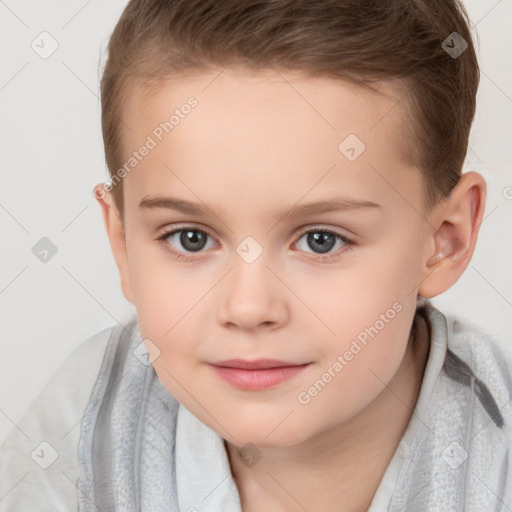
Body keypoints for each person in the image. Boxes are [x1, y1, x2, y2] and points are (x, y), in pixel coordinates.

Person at [2, 0, 511, 510]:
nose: (248, 308)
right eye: (190, 238)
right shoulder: (89, 417)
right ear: (123, 244)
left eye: (321, 240)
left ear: (446, 240)